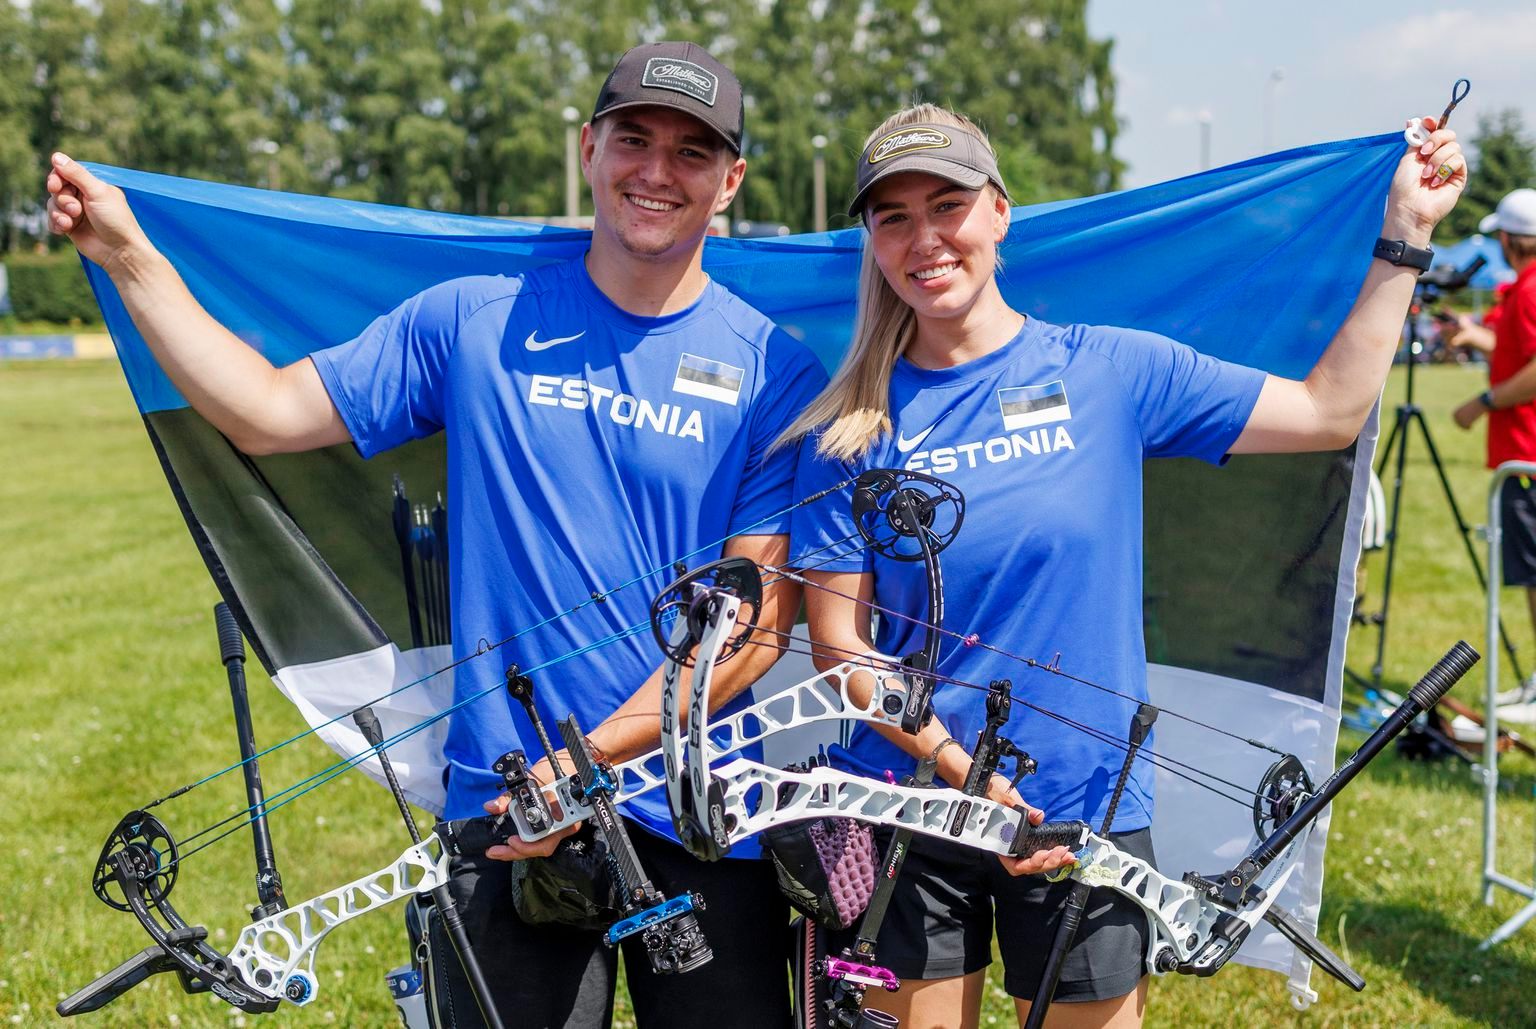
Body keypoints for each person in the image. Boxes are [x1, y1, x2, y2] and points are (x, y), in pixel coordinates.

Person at [46, 41, 827, 1029]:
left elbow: (754, 626)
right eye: (635, 139)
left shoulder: (774, 368)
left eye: (692, 152)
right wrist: (127, 256)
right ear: (590, 148)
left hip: (698, 811)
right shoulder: (475, 319)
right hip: (504, 810)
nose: (658, 172)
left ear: (731, 182)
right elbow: (268, 414)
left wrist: (586, 758)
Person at [782, 104, 1464, 1029]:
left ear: (999, 212)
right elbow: (839, 646)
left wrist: (1406, 238)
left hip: (1083, 809)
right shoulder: (845, 428)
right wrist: (960, 772)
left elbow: (1327, 410)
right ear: (870, 237)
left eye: (948, 204)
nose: (924, 238)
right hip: (909, 801)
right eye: (893, 216)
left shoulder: (1108, 370)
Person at [1452, 188, 1536, 706]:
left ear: (1507, 239)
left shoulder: (1528, 291)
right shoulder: (1525, 290)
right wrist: (1476, 337)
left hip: (1526, 453)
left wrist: (1481, 401)